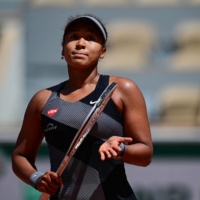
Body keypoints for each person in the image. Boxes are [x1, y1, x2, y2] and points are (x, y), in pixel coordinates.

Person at [12, 14, 153, 200]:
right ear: (63, 50)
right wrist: (37, 178)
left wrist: (120, 150)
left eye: (90, 38)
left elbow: (145, 153)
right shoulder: (42, 100)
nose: (80, 43)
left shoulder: (122, 89)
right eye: (73, 37)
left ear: (102, 51)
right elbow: (20, 156)